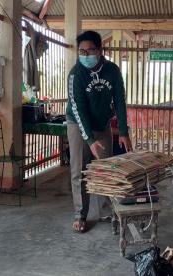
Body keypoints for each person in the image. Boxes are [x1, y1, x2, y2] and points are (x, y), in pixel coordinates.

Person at [66, 31, 132, 233]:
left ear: (99, 50)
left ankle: (105, 210)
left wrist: (122, 131)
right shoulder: (76, 74)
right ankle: (80, 214)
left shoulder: (112, 70)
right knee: (80, 170)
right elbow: (78, 108)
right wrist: (89, 139)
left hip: (102, 123)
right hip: (78, 124)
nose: (86, 55)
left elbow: (119, 100)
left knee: (105, 168)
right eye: (82, 51)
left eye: (90, 50)